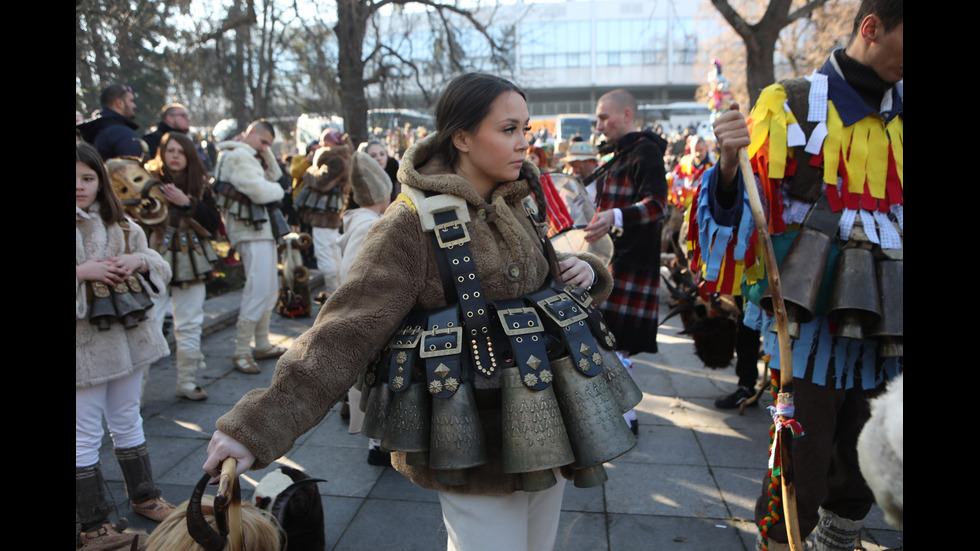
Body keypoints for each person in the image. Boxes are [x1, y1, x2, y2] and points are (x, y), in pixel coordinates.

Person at [204, 73, 626, 551]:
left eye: (525, 129)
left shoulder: (517, 200)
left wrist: (586, 272)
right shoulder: (409, 224)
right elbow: (343, 333)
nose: (524, 143)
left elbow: (541, 285)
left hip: (548, 416)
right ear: (462, 138)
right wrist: (256, 429)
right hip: (472, 434)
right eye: (508, 129)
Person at [692, 1, 902, 548]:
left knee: (867, 465)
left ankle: (840, 540)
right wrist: (731, 167)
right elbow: (747, 218)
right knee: (800, 469)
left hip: (892, 327)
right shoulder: (791, 105)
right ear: (872, 28)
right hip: (809, 327)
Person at [76, 142, 176, 545]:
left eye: (87, 178)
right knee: (83, 432)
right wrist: (82, 271)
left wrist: (141, 261)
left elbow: (158, 263)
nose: (79, 186)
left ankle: (145, 496)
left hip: (130, 341)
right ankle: (93, 521)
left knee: (127, 418)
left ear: (101, 180)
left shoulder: (122, 225)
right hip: (84, 348)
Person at [585, 88, 669, 434]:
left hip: (630, 262)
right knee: (608, 341)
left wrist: (615, 217)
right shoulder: (619, 154)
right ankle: (621, 415)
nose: (599, 124)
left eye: (605, 116)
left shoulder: (645, 152)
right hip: (613, 260)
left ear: (626, 116)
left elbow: (658, 204)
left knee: (613, 342)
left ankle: (625, 417)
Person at [144, 132, 221, 400]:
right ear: (162, 153)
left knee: (189, 323)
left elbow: (213, 223)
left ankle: (186, 383)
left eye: (180, 151)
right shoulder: (146, 180)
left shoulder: (199, 184)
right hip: (154, 256)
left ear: (188, 154)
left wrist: (186, 202)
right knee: (148, 322)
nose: (175, 155)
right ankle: (136, 393)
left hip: (192, 258)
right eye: (170, 150)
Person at [213, 120, 288, 374]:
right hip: (249, 230)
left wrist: (265, 152)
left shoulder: (250, 155)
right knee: (257, 288)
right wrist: (278, 190)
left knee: (268, 288)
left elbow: (275, 176)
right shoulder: (237, 156)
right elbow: (262, 190)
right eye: (263, 141)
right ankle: (242, 349)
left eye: (269, 144)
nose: (265, 147)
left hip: (259, 229)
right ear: (251, 133)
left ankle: (262, 343)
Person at [338, 150, 393, 465]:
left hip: (366, 313)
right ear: (382, 194)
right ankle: (378, 443)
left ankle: (381, 440)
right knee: (377, 381)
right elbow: (358, 277)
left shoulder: (364, 220)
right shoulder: (369, 225)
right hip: (370, 316)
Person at [77, 83, 144, 160]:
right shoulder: (123, 135)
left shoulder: (91, 133)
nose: (134, 105)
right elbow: (134, 170)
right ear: (119, 103)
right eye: (131, 101)